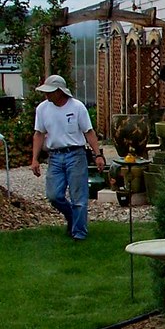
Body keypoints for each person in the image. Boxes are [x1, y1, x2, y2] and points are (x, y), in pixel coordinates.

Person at [30, 74, 106, 241]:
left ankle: (78, 233)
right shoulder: (42, 109)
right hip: (55, 156)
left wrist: (97, 154)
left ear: (60, 92)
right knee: (54, 195)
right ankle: (72, 216)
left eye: (50, 92)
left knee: (79, 197)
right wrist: (35, 159)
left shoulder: (77, 107)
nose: (46, 95)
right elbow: (39, 134)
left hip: (76, 155)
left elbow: (89, 132)